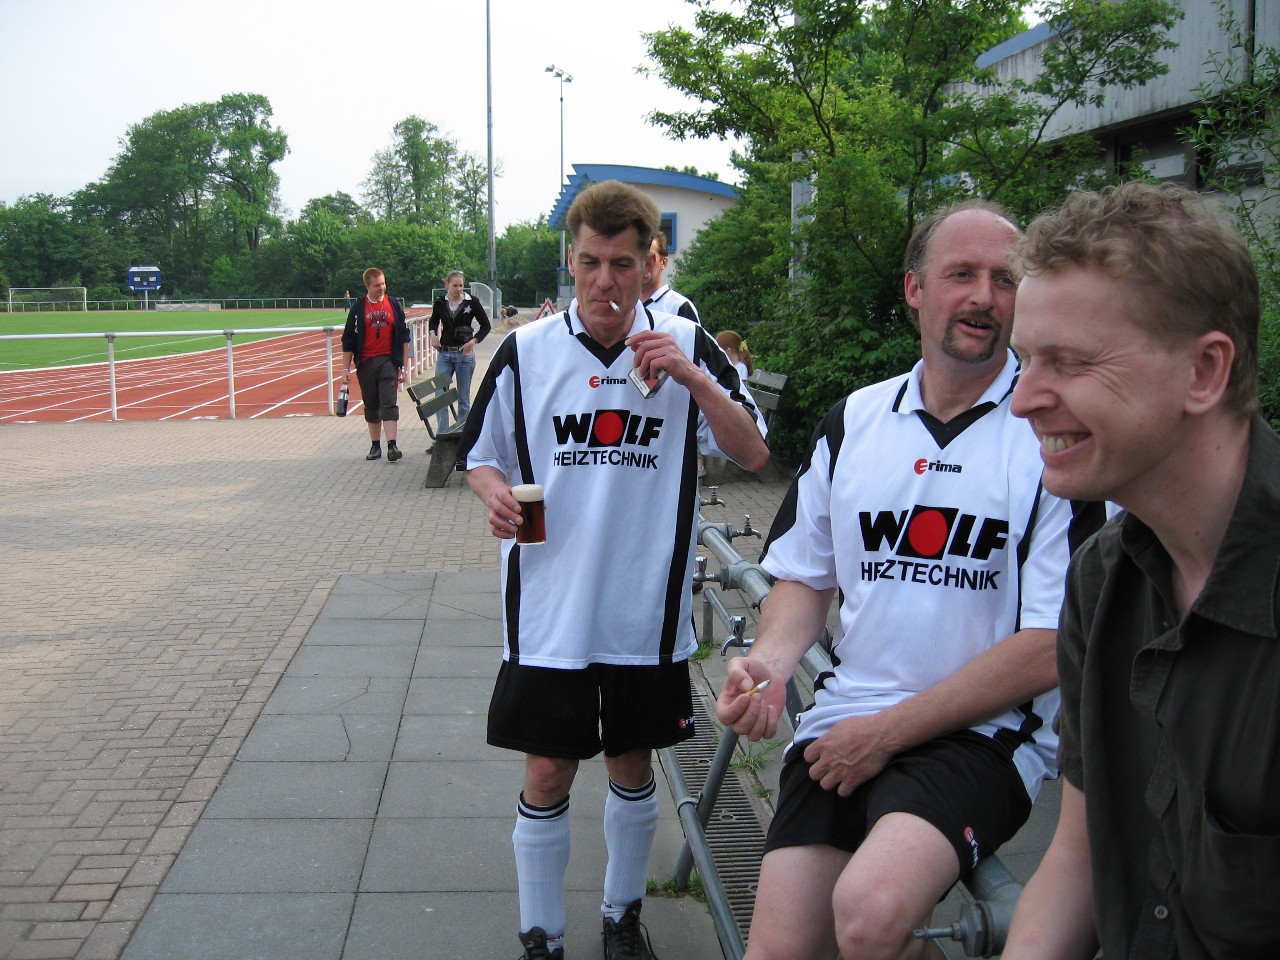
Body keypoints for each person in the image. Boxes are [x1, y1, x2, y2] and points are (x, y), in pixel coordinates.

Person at [716, 199, 1104, 960]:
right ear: (914, 289)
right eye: (962, 275)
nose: (985, 297)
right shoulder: (853, 421)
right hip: (847, 719)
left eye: (1005, 279)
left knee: (868, 915)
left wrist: (888, 734)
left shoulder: (1055, 435)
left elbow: (1052, 643)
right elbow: (802, 579)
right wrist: (769, 666)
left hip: (984, 734)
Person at [457, 180, 769, 960]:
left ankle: (622, 919)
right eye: (591, 263)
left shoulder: (685, 344)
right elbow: (480, 457)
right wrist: (494, 495)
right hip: (550, 609)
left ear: (648, 264)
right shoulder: (527, 353)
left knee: (634, 764)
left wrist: (694, 377)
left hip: (644, 611)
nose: (605, 281)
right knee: (547, 770)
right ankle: (542, 935)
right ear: (572, 260)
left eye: (622, 264)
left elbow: (754, 451)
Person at [1001, 182, 1280, 958]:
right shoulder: (1100, 580)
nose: (1022, 401)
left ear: (1204, 371)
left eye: (1069, 362)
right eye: (1024, 360)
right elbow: (1077, 858)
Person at [341, 267, 410, 462]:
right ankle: (375, 445)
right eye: (377, 285)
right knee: (371, 404)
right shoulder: (358, 308)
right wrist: (345, 369)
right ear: (367, 286)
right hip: (366, 363)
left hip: (388, 361)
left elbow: (404, 337)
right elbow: (348, 340)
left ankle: (392, 445)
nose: (382, 288)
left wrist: (403, 366)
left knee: (389, 403)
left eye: (383, 283)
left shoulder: (393, 304)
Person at [428, 270, 491, 431]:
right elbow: (433, 321)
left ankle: (462, 435)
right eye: (455, 285)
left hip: (464, 355)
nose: (459, 289)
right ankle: (442, 434)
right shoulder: (440, 302)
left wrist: (474, 341)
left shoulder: (472, 302)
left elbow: (486, 325)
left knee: (463, 397)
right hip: (445, 354)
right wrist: (433, 335)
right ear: (447, 285)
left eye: (461, 285)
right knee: (440, 395)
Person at [641, 232, 701, 325]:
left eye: (649, 258)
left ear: (664, 263)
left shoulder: (680, 307)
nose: (643, 264)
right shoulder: (626, 305)